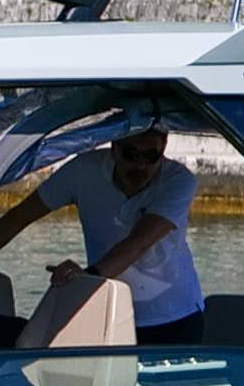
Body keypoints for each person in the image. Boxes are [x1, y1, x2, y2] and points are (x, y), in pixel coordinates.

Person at [20, 123, 204, 348]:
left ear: (164, 148)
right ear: (114, 145)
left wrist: (86, 278)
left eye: (151, 156)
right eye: (131, 154)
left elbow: (139, 242)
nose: (140, 165)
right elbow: (17, 218)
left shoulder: (179, 180)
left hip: (176, 317)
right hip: (109, 313)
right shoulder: (82, 171)